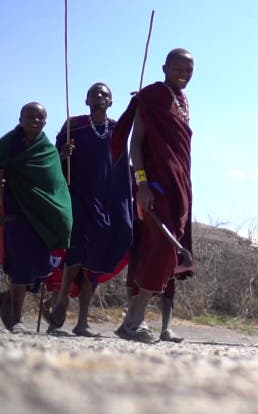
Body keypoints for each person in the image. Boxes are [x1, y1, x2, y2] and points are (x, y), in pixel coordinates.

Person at [113, 48, 195, 343]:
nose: (183, 74)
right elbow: (136, 144)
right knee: (161, 249)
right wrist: (142, 184)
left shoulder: (184, 102)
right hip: (155, 189)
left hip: (179, 188)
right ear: (164, 67)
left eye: (189, 70)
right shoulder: (152, 97)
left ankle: (132, 322)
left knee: (162, 253)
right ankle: (133, 321)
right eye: (177, 68)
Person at [46, 83, 133, 337]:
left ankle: (82, 322)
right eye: (95, 93)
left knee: (94, 262)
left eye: (105, 93)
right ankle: (61, 299)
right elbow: (55, 159)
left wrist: (138, 103)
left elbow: (132, 137)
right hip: (79, 196)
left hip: (106, 199)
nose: (100, 96)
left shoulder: (117, 129)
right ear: (86, 100)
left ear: (111, 102)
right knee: (76, 250)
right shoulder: (75, 124)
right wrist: (63, 154)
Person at [0, 103, 72, 334]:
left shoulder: (48, 150)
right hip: (16, 211)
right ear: (20, 118)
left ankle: (7, 299)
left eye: (40, 116)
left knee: (42, 264)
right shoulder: (8, 143)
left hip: (42, 215)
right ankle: (17, 318)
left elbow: (54, 183)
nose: (35, 119)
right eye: (30, 115)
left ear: (45, 121)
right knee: (20, 265)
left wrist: (62, 157)